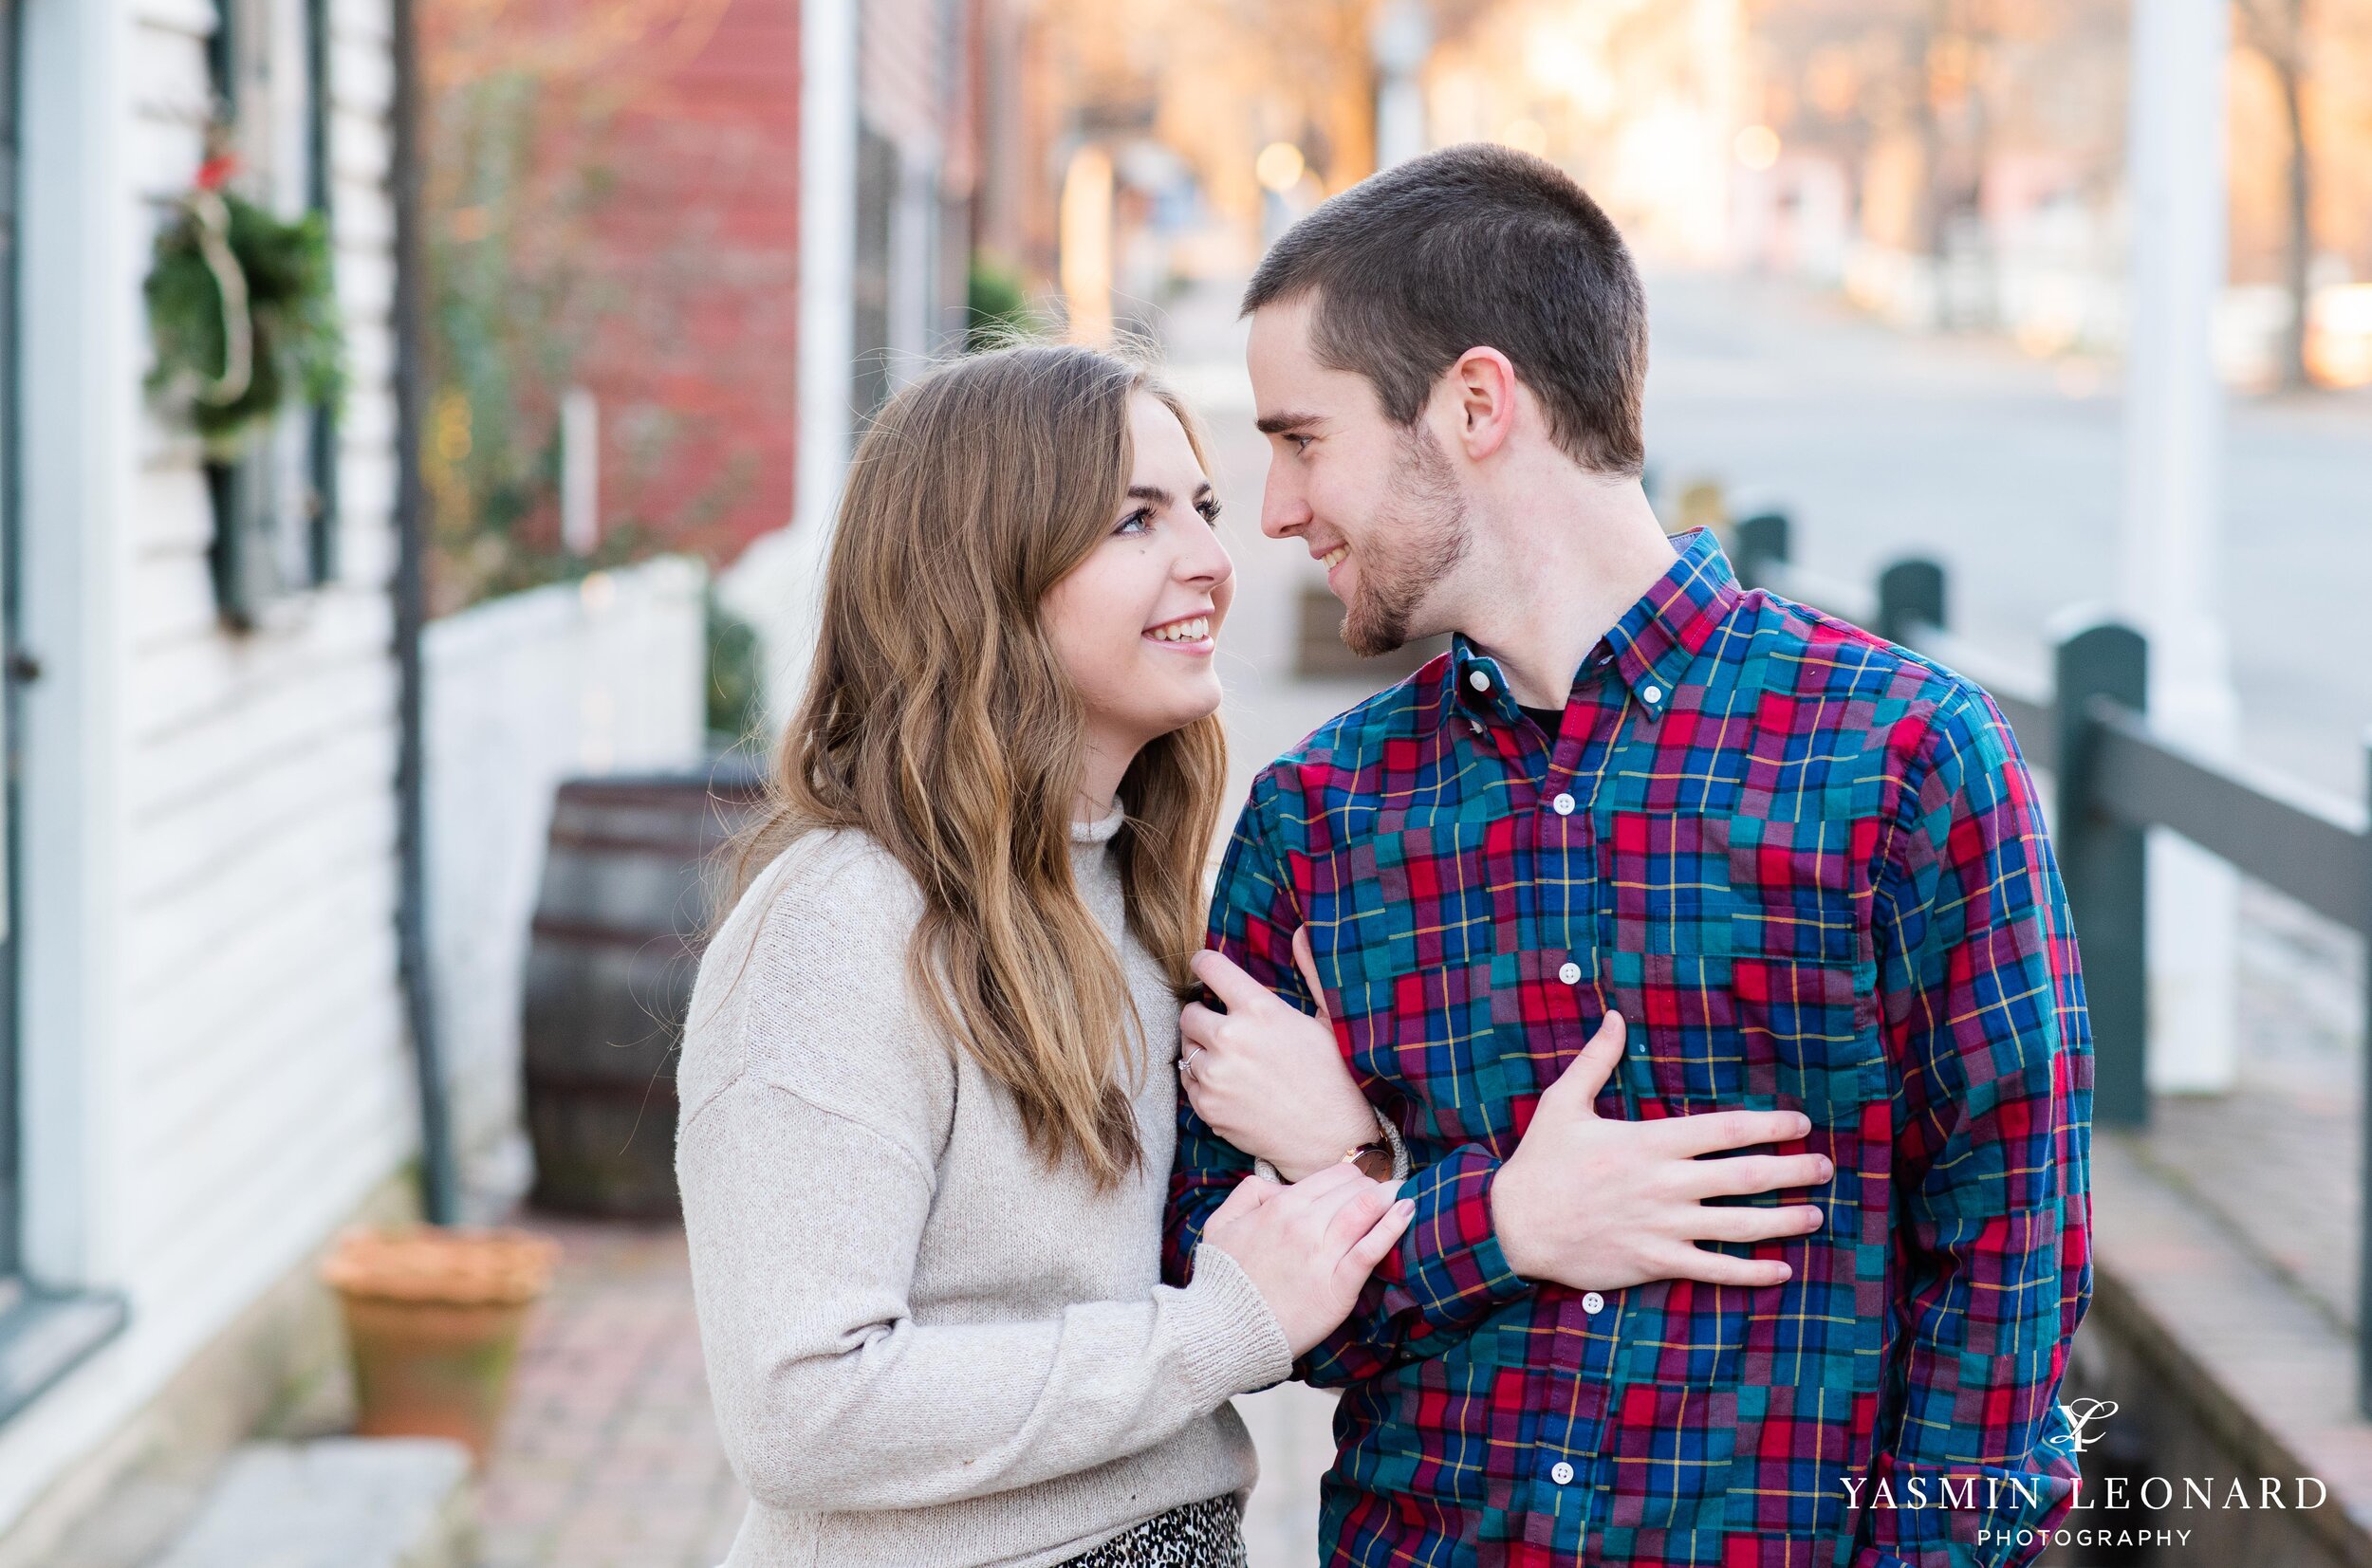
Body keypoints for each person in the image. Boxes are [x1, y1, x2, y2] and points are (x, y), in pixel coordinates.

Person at [1164, 143, 2094, 1568]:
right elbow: (1208, 1272)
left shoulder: (1898, 760)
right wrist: (1481, 1212)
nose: (1278, 509)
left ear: (1476, 403)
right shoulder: (1323, 819)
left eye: (1300, 439)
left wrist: (1370, 1170)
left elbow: (2010, 1258)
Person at [674, 343, 1419, 1568]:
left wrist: (1352, 1144)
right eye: (1136, 518)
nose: (1212, 563)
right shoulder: (844, 922)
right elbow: (801, 1406)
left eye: (1206, 509)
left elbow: (1265, 1258)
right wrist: (1212, 1334)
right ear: (983, 573)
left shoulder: (1133, 894)